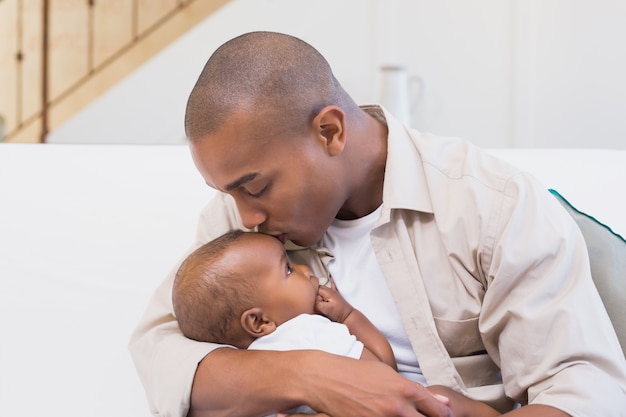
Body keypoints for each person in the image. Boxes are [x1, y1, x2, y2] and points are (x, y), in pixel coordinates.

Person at [129, 31, 626, 417]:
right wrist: (308, 375)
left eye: (255, 187)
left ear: (329, 132)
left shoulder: (491, 205)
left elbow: (585, 392)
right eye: (229, 193)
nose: (245, 217)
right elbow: (163, 357)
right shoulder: (238, 224)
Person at [171, 230, 500, 417]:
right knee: (442, 396)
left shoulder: (245, 366)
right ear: (259, 321)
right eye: (288, 269)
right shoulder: (309, 331)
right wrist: (347, 316)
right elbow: (381, 368)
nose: (303, 270)